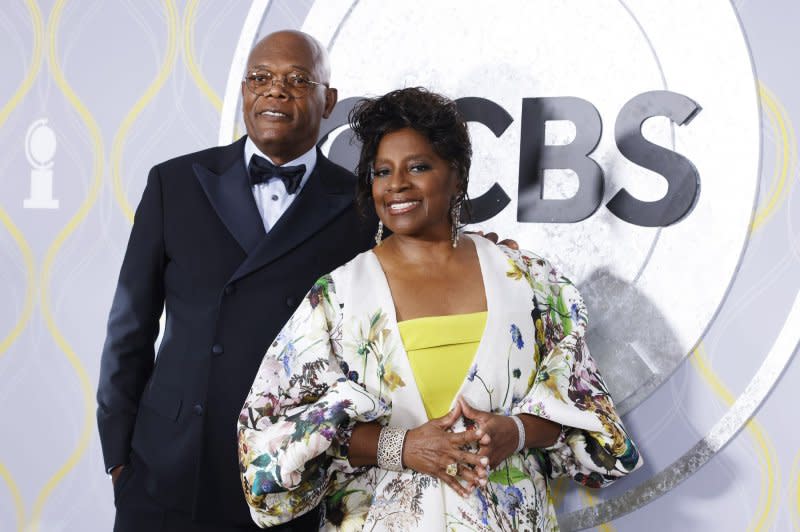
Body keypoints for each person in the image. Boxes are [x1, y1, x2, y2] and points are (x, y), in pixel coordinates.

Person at [238, 88, 642, 531]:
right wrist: (402, 446)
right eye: (382, 171)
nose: (396, 185)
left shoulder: (529, 281)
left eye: (418, 167)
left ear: (457, 175)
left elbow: (587, 414)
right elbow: (271, 438)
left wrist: (518, 431)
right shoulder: (336, 295)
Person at [96, 30, 376, 531]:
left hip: (289, 471)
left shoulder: (360, 204)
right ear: (244, 90)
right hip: (168, 468)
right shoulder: (175, 182)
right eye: (260, 78)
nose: (275, 91)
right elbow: (129, 329)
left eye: (297, 80)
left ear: (328, 100)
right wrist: (119, 460)